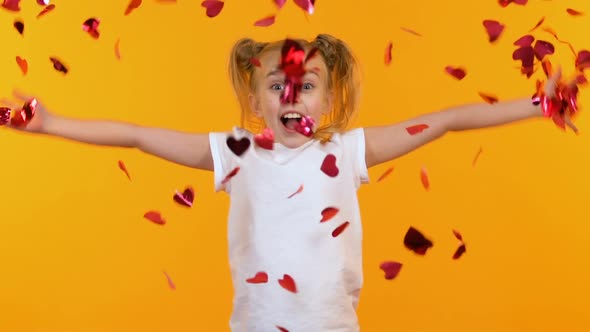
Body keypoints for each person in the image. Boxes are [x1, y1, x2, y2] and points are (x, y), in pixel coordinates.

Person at [0, 34, 577, 332]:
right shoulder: (235, 152)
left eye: (306, 85)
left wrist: (535, 105)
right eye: (277, 85)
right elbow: (136, 136)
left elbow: (448, 121)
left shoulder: (349, 150)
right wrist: (51, 123)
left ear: (330, 99)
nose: (291, 95)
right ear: (255, 99)